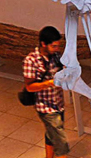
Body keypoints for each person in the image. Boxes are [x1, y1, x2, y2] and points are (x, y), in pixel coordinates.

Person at [24, 26, 69, 158]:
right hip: (45, 106)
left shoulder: (55, 56)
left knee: (52, 134)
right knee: (60, 139)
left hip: (58, 103)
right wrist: (49, 83)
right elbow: (29, 87)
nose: (57, 49)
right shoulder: (31, 61)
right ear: (44, 44)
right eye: (54, 46)